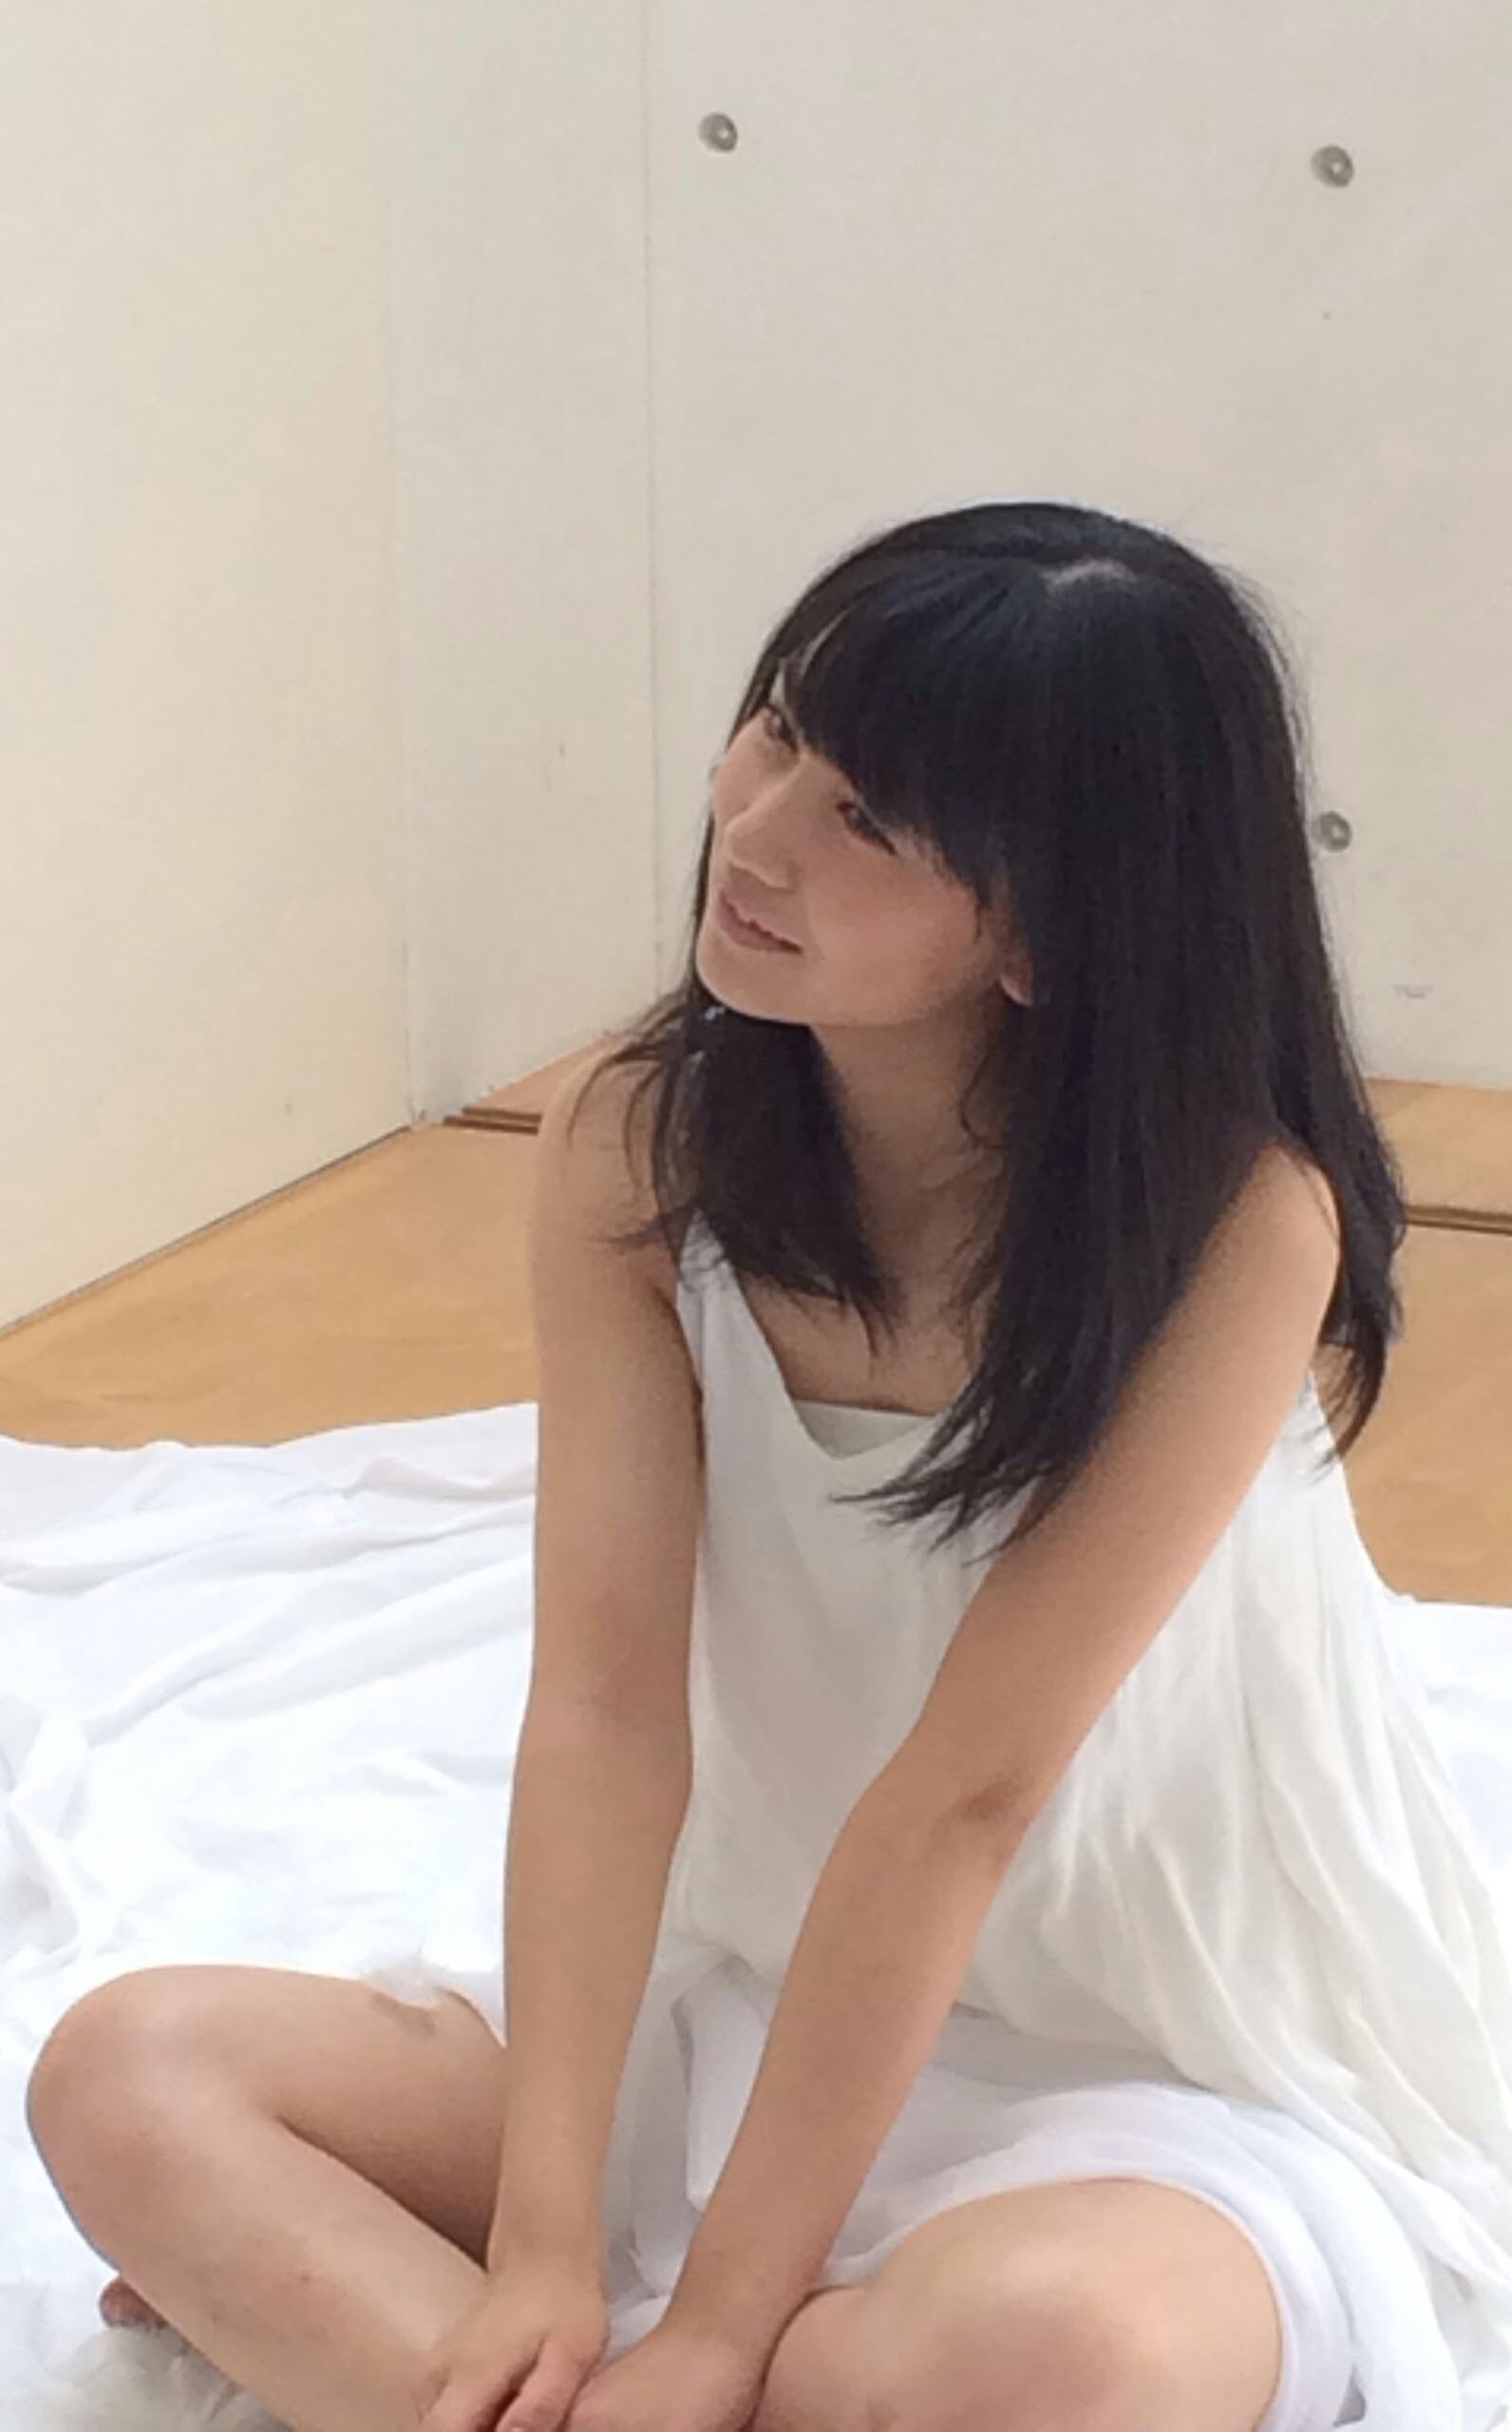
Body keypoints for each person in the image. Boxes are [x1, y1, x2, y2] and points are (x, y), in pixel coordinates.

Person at [28, 502, 1512, 2432]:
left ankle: (535, 2369)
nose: (758, 823)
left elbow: (964, 1801)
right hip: (750, 1997)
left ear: (1050, 928)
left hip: (1155, 2058)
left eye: (867, 816)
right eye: (782, 729)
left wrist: (720, 2325)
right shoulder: (641, 1143)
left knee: (1062, 2361)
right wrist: (545, 2249)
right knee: (129, 2072)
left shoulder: (1232, 1225)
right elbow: (605, 1706)